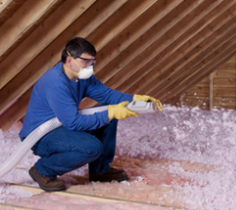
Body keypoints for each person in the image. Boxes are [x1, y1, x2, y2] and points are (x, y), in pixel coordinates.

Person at [19, 37, 163, 192]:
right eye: (86, 62)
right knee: (92, 148)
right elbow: (73, 123)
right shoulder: (55, 83)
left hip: (62, 125)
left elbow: (107, 95)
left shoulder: (82, 77)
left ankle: (100, 170)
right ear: (69, 60)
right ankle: (43, 170)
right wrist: (110, 112)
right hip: (42, 136)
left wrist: (134, 99)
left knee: (109, 114)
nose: (90, 67)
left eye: (92, 63)